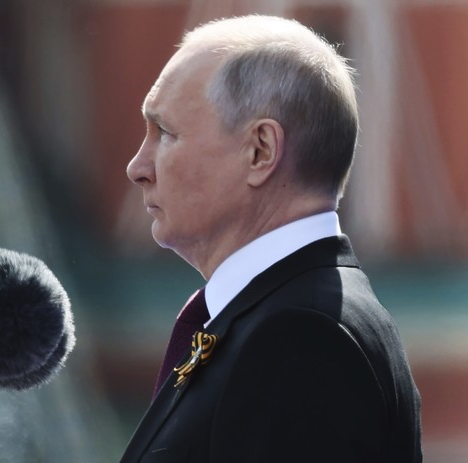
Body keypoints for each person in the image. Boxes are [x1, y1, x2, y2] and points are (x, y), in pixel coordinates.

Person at [122, 15, 422, 462]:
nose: (137, 168)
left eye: (165, 133)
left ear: (260, 150)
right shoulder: (283, 317)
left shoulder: (302, 336)